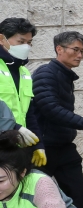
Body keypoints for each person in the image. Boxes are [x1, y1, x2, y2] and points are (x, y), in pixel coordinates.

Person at [31, 31, 83, 208]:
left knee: (77, 191)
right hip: (43, 147)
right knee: (36, 195)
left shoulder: (65, 75)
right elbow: (50, 108)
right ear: (59, 49)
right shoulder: (45, 73)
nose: (80, 55)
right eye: (75, 50)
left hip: (64, 145)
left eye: (82, 51)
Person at [0, 18, 45, 168]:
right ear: (2, 39)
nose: (26, 47)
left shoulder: (23, 71)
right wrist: (15, 127)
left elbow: (29, 113)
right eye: (21, 42)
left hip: (16, 146)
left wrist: (38, 144)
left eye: (29, 42)